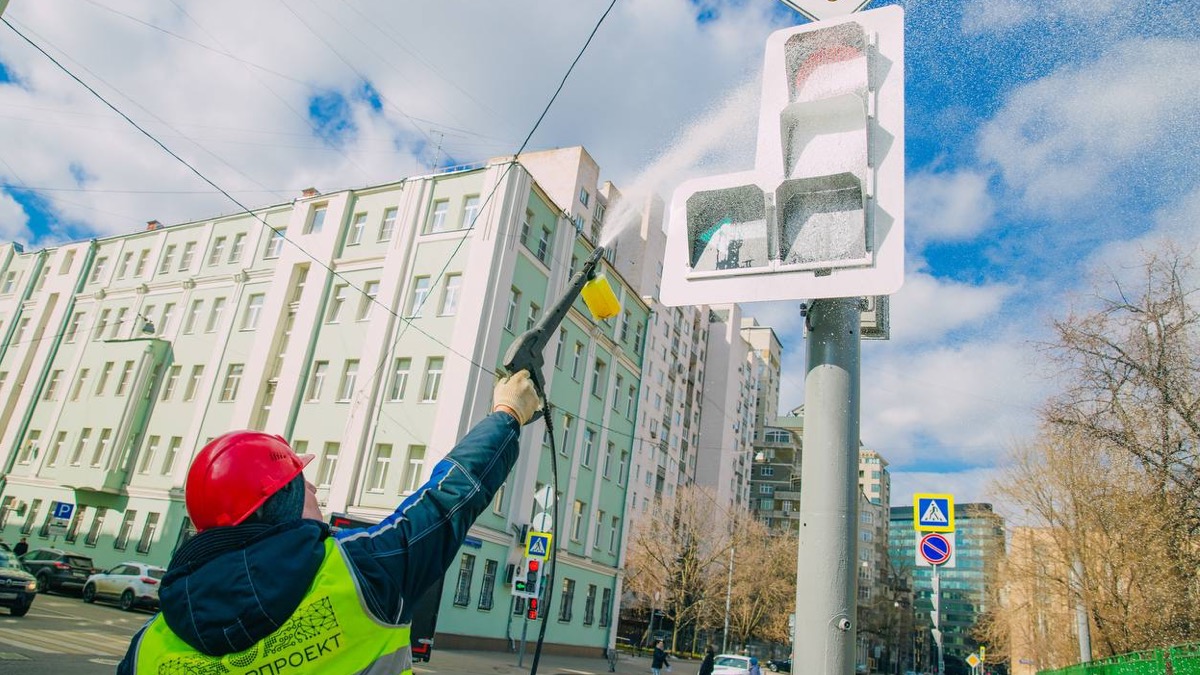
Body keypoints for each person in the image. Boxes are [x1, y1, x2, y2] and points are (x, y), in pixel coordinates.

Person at [117, 370, 542, 675]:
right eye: (301, 483)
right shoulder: (359, 574)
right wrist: (507, 414)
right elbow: (447, 497)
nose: (314, 489)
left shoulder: (148, 648)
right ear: (278, 505)